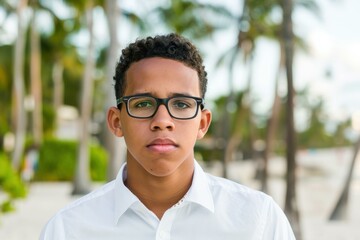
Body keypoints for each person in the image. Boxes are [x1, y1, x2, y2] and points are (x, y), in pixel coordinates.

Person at [40, 33, 295, 240]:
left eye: (182, 104)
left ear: (202, 123)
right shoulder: (68, 230)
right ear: (117, 122)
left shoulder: (258, 221)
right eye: (143, 104)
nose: (162, 121)